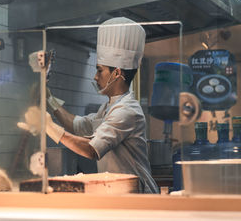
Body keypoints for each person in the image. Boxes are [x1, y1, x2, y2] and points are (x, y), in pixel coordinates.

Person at [18, 17, 159, 193]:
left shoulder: (127, 111)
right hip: (118, 192)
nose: (95, 76)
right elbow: (78, 125)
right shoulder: (109, 107)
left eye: (100, 70)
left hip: (138, 197)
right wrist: (49, 98)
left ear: (117, 73)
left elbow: (91, 149)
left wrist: (48, 126)